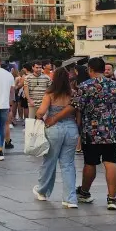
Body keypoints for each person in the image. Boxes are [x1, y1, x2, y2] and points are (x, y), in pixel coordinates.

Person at [74, 57, 116, 211]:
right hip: (113, 131)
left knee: (90, 163)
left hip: (92, 131)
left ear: (90, 69)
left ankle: (84, 192)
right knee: (111, 161)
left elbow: (78, 108)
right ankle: (112, 199)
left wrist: (79, 125)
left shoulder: (85, 86)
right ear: (104, 69)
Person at [33, 68, 79, 208]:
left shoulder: (50, 93)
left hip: (54, 129)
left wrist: (39, 116)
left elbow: (41, 112)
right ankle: (70, 199)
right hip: (71, 129)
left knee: (50, 161)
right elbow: (78, 115)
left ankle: (42, 191)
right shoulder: (74, 94)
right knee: (68, 164)